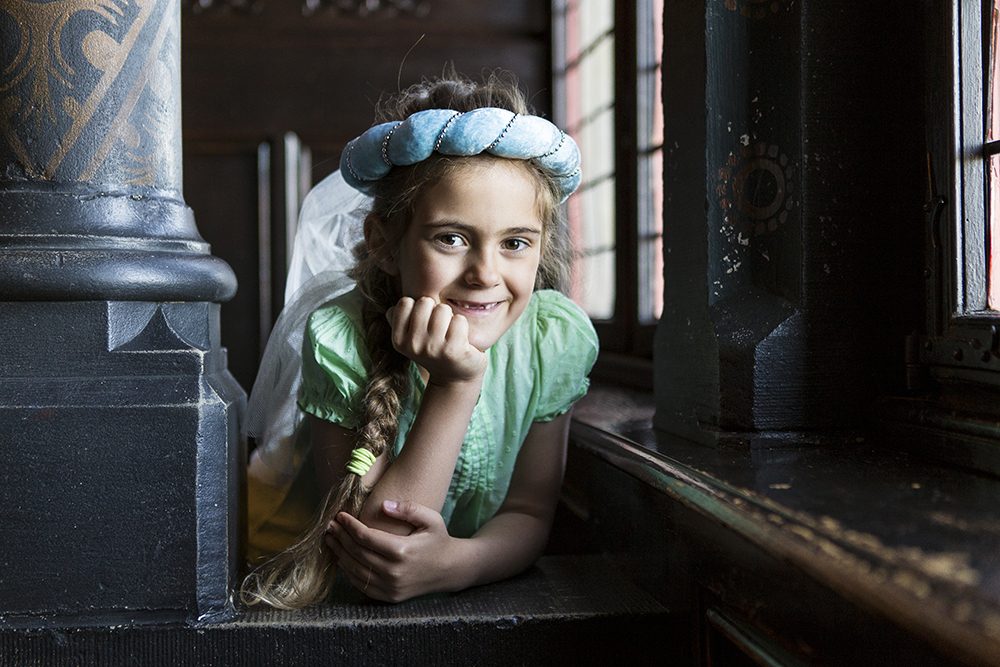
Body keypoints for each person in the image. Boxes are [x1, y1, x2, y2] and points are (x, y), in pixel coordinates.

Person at [240, 71, 598, 608]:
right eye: (451, 238)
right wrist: (456, 385)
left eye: (515, 243)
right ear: (385, 243)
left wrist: (458, 564)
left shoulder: (552, 340)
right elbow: (377, 553)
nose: (485, 273)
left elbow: (529, 511)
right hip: (308, 589)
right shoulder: (342, 340)